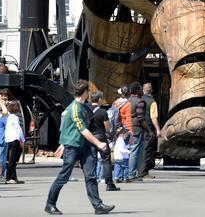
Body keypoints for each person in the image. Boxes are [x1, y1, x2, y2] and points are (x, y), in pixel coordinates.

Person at [45, 79, 114, 215]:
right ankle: (50, 204)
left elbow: (92, 126)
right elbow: (82, 129)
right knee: (64, 176)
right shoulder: (75, 108)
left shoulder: (86, 107)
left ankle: (98, 205)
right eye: (88, 91)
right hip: (73, 146)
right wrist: (98, 143)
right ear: (86, 92)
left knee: (91, 176)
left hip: (85, 146)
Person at [89, 91, 117, 192]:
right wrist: (109, 132)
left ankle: (91, 182)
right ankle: (109, 184)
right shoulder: (102, 112)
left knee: (92, 160)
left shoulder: (86, 110)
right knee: (106, 160)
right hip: (101, 136)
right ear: (99, 99)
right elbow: (107, 126)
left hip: (90, 137)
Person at [125, 82, 149, 181]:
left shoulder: (126, 101)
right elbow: (140, 118)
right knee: (134, 151)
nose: (141, 90)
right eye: (140, 89)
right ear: (137, 91)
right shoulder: (140, 102)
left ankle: (124, 174)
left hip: (125, 129)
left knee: (126, 151)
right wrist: (149, 130)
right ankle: (131, 174)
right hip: (136, 129)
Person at [3, 100, 24, 184]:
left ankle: (13, 176)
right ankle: (9, 176)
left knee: (10, 159)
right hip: (15, 139)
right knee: (14, 159)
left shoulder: (8, 117)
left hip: (9, 139)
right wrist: (22, 140)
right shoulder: (15, 118)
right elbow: (18, 130)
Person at [141, 83, 159, 175]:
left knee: (139, 149)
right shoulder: (152, 102)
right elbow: (154, 117)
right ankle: (144, 172)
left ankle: (136, 170)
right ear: (151, 90)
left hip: (139, 127)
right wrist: (158, 129)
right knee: (146, 150)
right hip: (148, 128)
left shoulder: (140, 100)